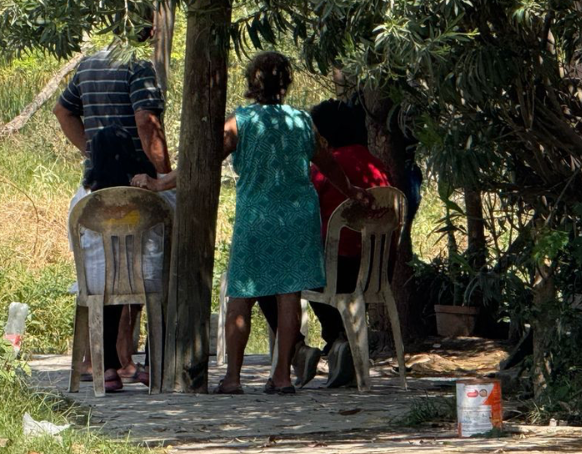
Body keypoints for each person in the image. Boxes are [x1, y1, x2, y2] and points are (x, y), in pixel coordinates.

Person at [135, 51, 368, 394]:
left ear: (251, 83)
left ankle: (232, 378)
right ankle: (282, 377)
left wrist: (160, 182)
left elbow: (203, 160)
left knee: (242, 296)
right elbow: (329, 165)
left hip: (255, 217)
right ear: (286, 83)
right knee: (289, 296)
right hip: (297, 216)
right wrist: (352, 192)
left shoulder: (238, 123)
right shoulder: (300, 122)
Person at [54, 28, 173, 393]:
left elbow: (63, 110)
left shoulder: (90, 63)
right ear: (150, 29)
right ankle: (158, 362)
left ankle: (103, 365)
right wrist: (165, 175)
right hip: (136, 184)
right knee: (163, 267)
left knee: (102, 271)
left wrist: (91, 151)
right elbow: (145, 121)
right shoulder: (138, 66)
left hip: (99, 186)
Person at [258, 98, 393, 389]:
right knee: (319, 271)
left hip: (334, 269)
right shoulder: (378, 166)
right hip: (374, 271)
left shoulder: (326, 169)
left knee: (268, 278)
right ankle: (339, 343)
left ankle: (296, 349)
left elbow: (296, 212)